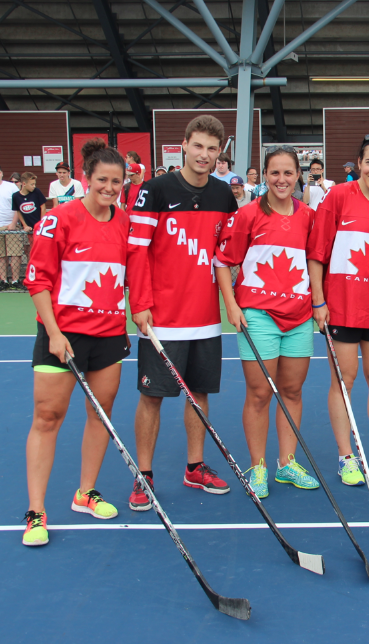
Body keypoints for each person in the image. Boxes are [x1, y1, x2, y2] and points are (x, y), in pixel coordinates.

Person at [21, 138, 137, 547]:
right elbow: (37, 280)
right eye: (102, 180)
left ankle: (85, 493)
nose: (109, 188)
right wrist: (54, 332)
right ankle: (36, 512)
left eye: (116, 182)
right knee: (48, 417)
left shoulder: (124, 222)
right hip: (63, 335)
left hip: (109, 335)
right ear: (86, 178)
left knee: (100, 414)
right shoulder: (59, 219)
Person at [125, 115, 236, 511]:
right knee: (152, 397)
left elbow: (227, 255)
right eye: (198, 146)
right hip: (162, 318)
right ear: (184, 145)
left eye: (212, 148)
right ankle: (144, 474)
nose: (204, 154)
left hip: (205, 318)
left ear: (219, 153)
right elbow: (136, 250)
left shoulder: (225, 196)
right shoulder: (154, 190)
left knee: (199, 394)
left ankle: (194, 466)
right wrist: (140, 304)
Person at [214, 145, 321, 498]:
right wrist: (231, 304)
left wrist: (318, 303)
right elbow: (222, 261)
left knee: (292, 391)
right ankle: (257, 466)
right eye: (274, 172)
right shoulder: (248, 215)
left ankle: (286, 464)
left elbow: (314, 262)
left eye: (288, 172)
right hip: (258, 315)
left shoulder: (308, 216)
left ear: (297, 176)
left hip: (300, 317)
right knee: (260, 393)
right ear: (263, 175)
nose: (281, 179)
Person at [306, 133, 369, 486]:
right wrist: (318, 301)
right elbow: (317, 253)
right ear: (358, 164)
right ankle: (347, 457)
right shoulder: (338, 196)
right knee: (343, 382)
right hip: (342, 308)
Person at [13, 172, 48, 264]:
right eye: (32, 184)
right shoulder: (16, 196)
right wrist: (25, 225)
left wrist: (41, 223)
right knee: (30, 250)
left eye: (34, 184)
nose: (34, 186)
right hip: (29, 229)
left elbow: (43, 207)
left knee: (42, 249)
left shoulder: (36, 192)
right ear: (24, 184)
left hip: (39, 226)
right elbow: (18, 211)